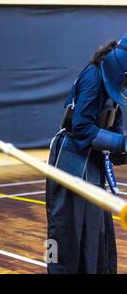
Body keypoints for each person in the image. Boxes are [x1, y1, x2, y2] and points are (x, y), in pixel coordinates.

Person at [46, 34, 127, 274]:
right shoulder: (93, 76)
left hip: (92, 163)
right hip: (70, 161)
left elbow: (115, 131)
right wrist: (122, 143)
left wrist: (122, 148)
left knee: (97, 237)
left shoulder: (115, 85)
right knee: (68, 236)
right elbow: (82, 129)